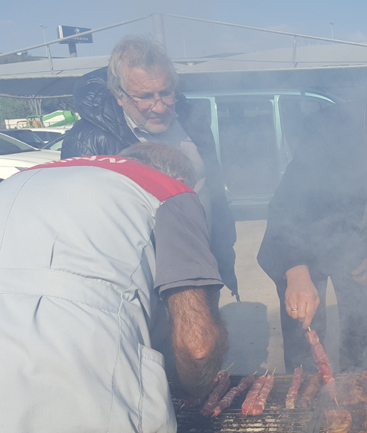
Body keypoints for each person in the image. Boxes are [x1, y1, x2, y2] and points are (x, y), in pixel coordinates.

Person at [0, 143, 228, 432]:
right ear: (181, 181)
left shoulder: (17, 181)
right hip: (88, 381)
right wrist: (192, 388)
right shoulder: (168, 188)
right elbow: (198, 344)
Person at [257, 61, 367, 372]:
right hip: (305, 246)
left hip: (358, 251)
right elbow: (287, 203)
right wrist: (295, 271)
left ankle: (360, 406)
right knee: (306, 343)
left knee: (362, 336)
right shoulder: (328, 126)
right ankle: (307, 409)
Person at [62, 35, 239, 300]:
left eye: (166, 93)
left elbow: (215, 193)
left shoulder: (193, 123)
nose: (159, 107)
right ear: (119, 96)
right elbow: (77, 226)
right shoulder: (88, 140)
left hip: (202, 270)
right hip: (139, 287)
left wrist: (223, 254)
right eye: (145, 97)